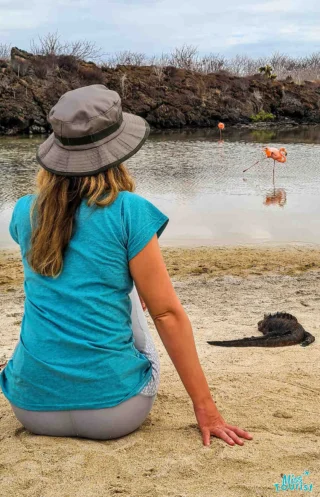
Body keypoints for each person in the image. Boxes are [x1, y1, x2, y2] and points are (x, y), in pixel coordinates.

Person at [0, 85, 252, 446]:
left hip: (31, 408)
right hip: (116, 412)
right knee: (137, 293)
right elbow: (167, 315)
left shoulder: (24, 210)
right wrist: (207, 410)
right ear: (117, 149)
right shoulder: (128, 210)